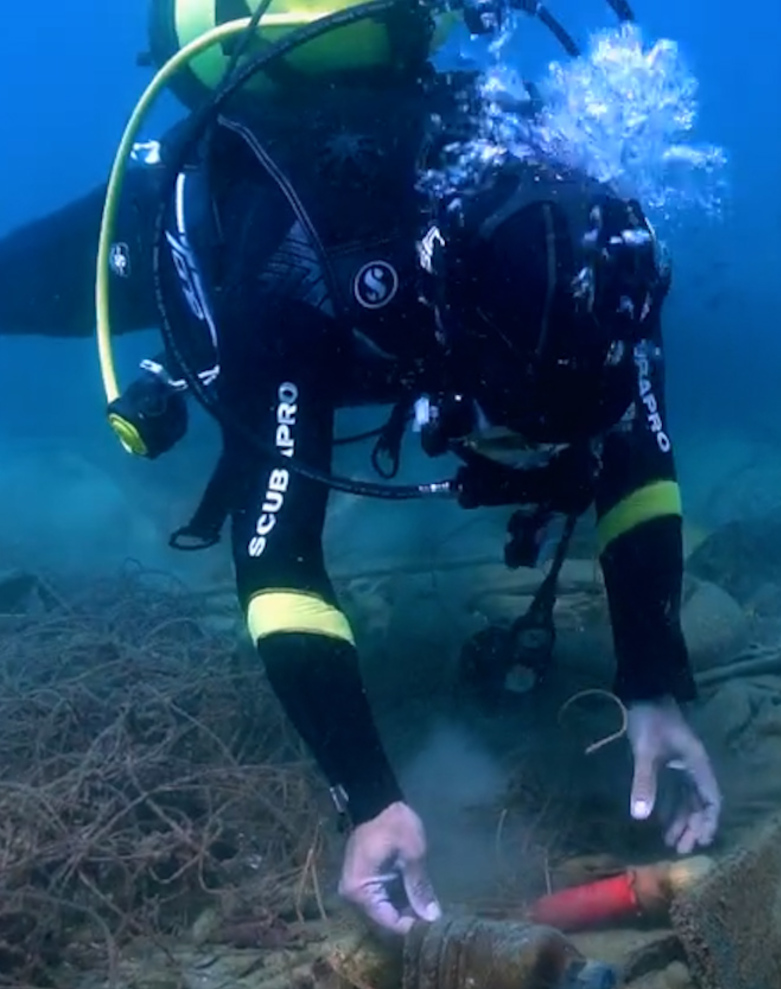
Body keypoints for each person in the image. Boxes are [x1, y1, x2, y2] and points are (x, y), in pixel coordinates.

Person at [0, 0, 722, 935]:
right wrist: (370, 799)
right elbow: (277, 559)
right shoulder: (294, 281)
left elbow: (640, 462)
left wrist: (652, 680)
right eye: (519, 433)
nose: (536, 464)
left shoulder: (598, 265)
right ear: (458, 352)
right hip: (205, 233)